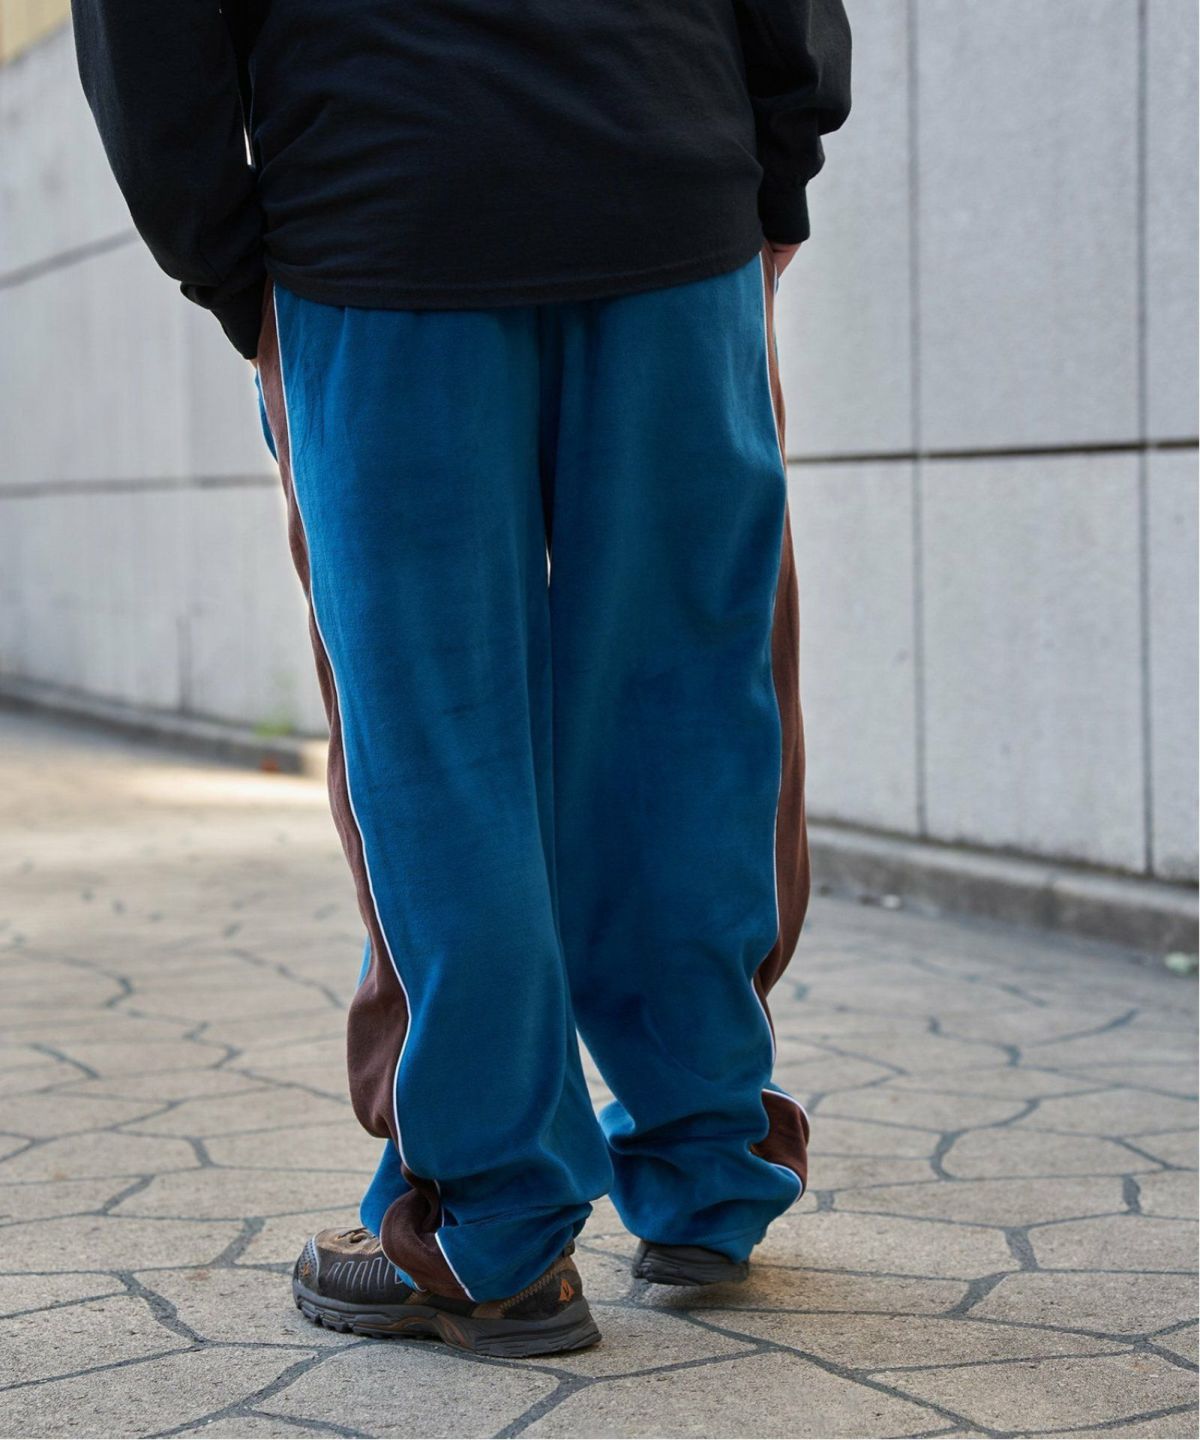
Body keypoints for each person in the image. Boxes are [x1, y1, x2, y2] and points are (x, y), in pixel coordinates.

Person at [74, 0, 851, 1358]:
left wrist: (230, 263)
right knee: (687, 710)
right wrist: (773, 160)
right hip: (666, 168)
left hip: (384, 209)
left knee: (439, 741)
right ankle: (707, 1166)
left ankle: (494, 1223)